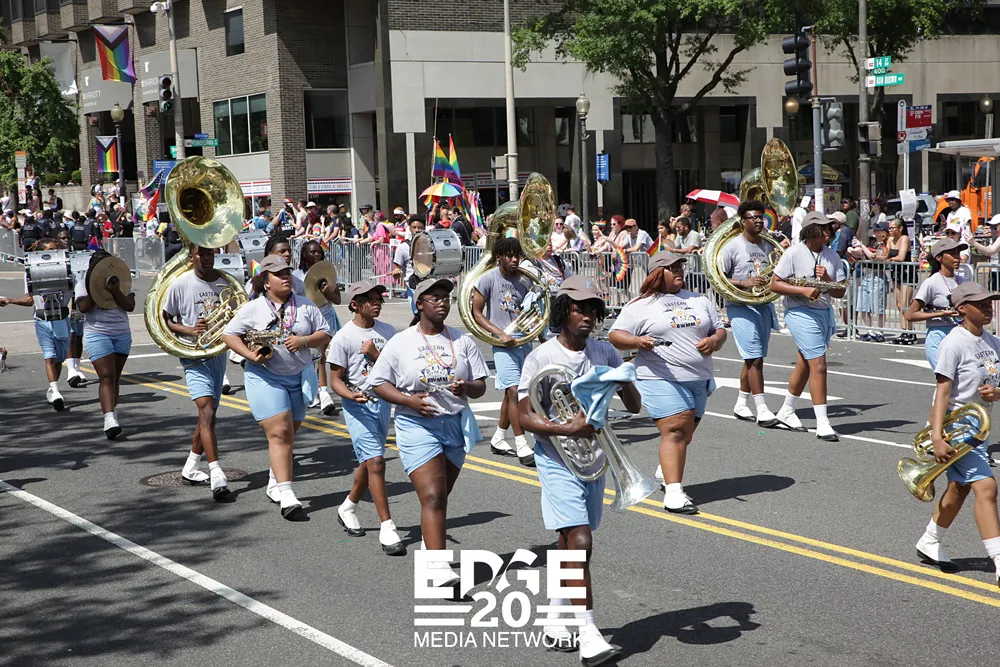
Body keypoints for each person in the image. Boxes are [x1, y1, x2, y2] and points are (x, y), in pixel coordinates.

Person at [517, 276, 641, 664]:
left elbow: (634, 406)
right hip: (556, 458)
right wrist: (564, 429)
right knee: (581, 542)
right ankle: (588, 632)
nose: (587, 316)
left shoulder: (604, 352)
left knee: (569, 542)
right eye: (579, 309)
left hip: (594, 458)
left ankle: (555, 619)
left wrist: (624, 380)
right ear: (563, 312)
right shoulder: (541, 357)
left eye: (592, 310)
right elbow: (522, 416)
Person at [367, 278, 488, 558]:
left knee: (440, 496)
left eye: (446, 298)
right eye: (435, 298)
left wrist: (466, 387)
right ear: (419, 304)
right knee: (433, 495)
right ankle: (437, 566)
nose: (442, 303)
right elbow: (378, 382)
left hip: (454, 423)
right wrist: (407, 400)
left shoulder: (462, 341)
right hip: (416, 424)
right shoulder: (401, 342)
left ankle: (429, 540)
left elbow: (480, 385)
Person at [609, 251, 727, 514]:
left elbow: (718, 329)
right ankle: (674, 493)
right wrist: (637, 341)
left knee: (685, 433)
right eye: (671, 268)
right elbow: (615, 335)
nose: (678, 271)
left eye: (680, 267)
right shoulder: (640, 305)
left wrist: (715, 340)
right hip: (659, 376)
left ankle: (666, 468)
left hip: (698, 376)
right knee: (675, 430)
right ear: (656, 273)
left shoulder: (699, 299)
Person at [221, 255, 332, 519]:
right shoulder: (253, 308)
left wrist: (304, 341)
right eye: (278, 274)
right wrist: (249, 355)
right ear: (266, 282)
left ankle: (274, 480)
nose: (285, 277)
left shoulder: (305, 305)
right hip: (265, 376)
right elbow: (228, 334)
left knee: (289, 434)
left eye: (287, 273)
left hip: (299, 376)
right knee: (280, 433)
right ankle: (287, 495)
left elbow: (325, 333)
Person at [912, 281, 1000, 587]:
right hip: (954, 425)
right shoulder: (954, 342)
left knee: (960, 487)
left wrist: (997, 392)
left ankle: (930, 540)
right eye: (980, 304)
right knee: (986, 487)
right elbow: (942, 392)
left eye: (989, 302)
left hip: (980, 426)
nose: (988, 307)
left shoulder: (993, 341)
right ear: (962, 309)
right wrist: (937, 437)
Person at [327, 280, 404, 555]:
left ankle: (348, 506)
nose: (376, 303)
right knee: (377, 462)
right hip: (358, 406)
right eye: (369, 299)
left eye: (378, 299)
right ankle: (387, 526)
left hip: (382, 404)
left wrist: (375, 354)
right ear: (355, 304)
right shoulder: (343, 337)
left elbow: (397, 371)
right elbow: (335, 380)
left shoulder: (389, 332)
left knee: (369, 461)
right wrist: (349, 395)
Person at [162, 245, 234, 500]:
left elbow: (236, 315)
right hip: (193, 355)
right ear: (191, 257)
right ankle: (217, 474)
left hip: (217, 353)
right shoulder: (181, 283)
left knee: (208, 416)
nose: (206, 258)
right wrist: (189, 330)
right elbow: (166, 319)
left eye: (210, 254)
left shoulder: (226, 282)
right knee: (207, 411)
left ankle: (191, 466)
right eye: (201, 254)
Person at [769, 211, 848, 441]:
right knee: (819, 365)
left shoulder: (832, 256)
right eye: (823, 228)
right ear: (811, 230)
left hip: (823, 312)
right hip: (799, 312)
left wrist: (827, 280)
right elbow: (775, 284)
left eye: (829, 228)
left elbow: (840, 291)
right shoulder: (794, 253)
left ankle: (786, 410)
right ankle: (823, 423)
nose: (828, 232)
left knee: (805, 363)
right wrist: (803, 290)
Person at [471, 237, 535, 466]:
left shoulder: (526, 280)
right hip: (502, 345)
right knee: (514, 391)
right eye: (510, 255)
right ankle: (521, 443)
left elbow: (534, 310)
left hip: (524, 342)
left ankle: (498, 438)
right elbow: (476, 312)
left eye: (517, 255)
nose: (514, 259)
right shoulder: (488, 278)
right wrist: (499, 333)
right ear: (499, 256)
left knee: (512, 394)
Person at [719, 200, 779, 426]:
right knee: (754, 358)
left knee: (753, 358)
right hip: (740, 306)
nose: (758, 221)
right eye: (753, 218)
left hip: (762, 305)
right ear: (742, 221)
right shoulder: (732, 246)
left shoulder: (768, 245)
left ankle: (741, 403)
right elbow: (718, 277)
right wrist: (744, 282)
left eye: (761, 217)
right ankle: (762, 409)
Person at [0, 239, 73, 411]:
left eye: (55, 249)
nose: (53, 253)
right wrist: (10, 300)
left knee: (59, 358)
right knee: (49, 356)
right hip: (42, 319)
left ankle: (52, 389)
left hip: (62, 319)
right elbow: (29, 300)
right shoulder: (31, 272)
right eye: (49, 250)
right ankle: (56, 391)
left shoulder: (67, 269)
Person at [74, 249, 136, 438]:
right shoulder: (83, 284)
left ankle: (112, 413)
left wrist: (115, 290)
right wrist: (98, 288)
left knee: (115, 377)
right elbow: (83, 307)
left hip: (121, 333)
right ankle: (109, 418)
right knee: (107, 376)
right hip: (97, 333)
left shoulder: (122, 281)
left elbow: (130, 305)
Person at [294, 240, 342, 416]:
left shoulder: (328, 272)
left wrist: (327, 292)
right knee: (309, 357)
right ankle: (312, 390)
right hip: (305, 317)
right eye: (312, 252)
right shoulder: (296, 276)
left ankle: (324, 394)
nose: (316, 255)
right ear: (304, 255)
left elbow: (337, 299)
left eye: (319, 252)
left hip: (325, 316)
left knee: (321, 355)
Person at [905, 238, 966, 367]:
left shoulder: (962, 281)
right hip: (939, 335)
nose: (957, 257)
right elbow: (910, 315)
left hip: (959, 335)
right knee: (946, 376)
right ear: (939, 258)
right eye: (952, 254)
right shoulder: (931, 283)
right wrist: (942, 313)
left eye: (958, 253)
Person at [887, 217, 916, 343]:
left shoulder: (904, 238)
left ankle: (908, 332)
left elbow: (901, 256)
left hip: (907, 274)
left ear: (901, 228)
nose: (890, 230)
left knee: (905, 305)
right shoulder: (890, 239)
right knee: (899, 305)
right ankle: (908, 330)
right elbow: (885, 254)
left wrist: (890, 259)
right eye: (889, 228)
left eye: (893, 228)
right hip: (895, 274)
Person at [392, 216, 425, 315]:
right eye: (414, 227)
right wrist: (397, 272)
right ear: (410, 229)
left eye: (420, 227)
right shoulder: (403, 247)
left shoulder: (430, 245)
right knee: (418, 314)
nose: (417, 230)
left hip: (428, 284)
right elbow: (397, 267)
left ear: (424, 228)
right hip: (413, 286)